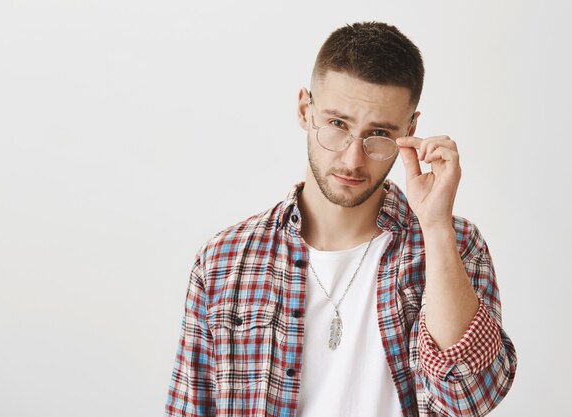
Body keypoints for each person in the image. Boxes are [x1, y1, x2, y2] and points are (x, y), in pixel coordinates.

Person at [164, 21, 517, 417]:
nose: (353, 159)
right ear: (304, 109)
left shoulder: (454, 244)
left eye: (379, 133)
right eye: (337, 124)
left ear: (411, 130)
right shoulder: (224, 260)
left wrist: (435, 226)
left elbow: (470, 398)